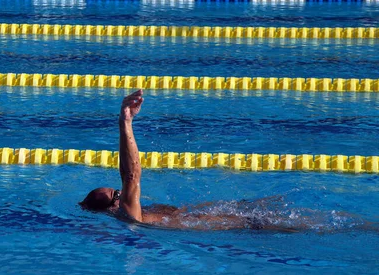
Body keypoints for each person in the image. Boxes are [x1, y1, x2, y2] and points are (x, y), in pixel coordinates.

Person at [79, 90, 355, 232]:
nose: (120, 191)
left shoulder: (142, 213)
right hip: (246, 228)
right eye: (115, 193)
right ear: (113, 207)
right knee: (330, 226)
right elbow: (131, 173)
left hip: (238, 216)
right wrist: (125, 121)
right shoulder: (131, 215)